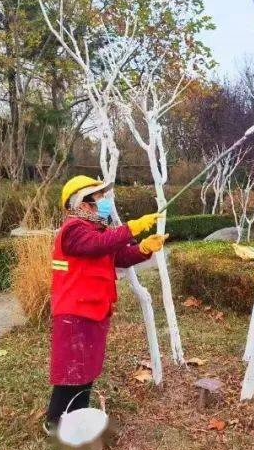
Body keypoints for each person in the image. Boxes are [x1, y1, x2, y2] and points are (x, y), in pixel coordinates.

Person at [44, 175, 168, 435]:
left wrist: (145, 248)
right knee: (71, 370)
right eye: (97, 198)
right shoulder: (73, 230)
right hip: (75, 312)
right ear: (82, 203)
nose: (102, 203)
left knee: (86, 368)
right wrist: (131, 229)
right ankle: (54, 423)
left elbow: (119, 256)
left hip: (93, 309)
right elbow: (101, 245)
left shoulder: (95, 231)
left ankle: (77, 416)